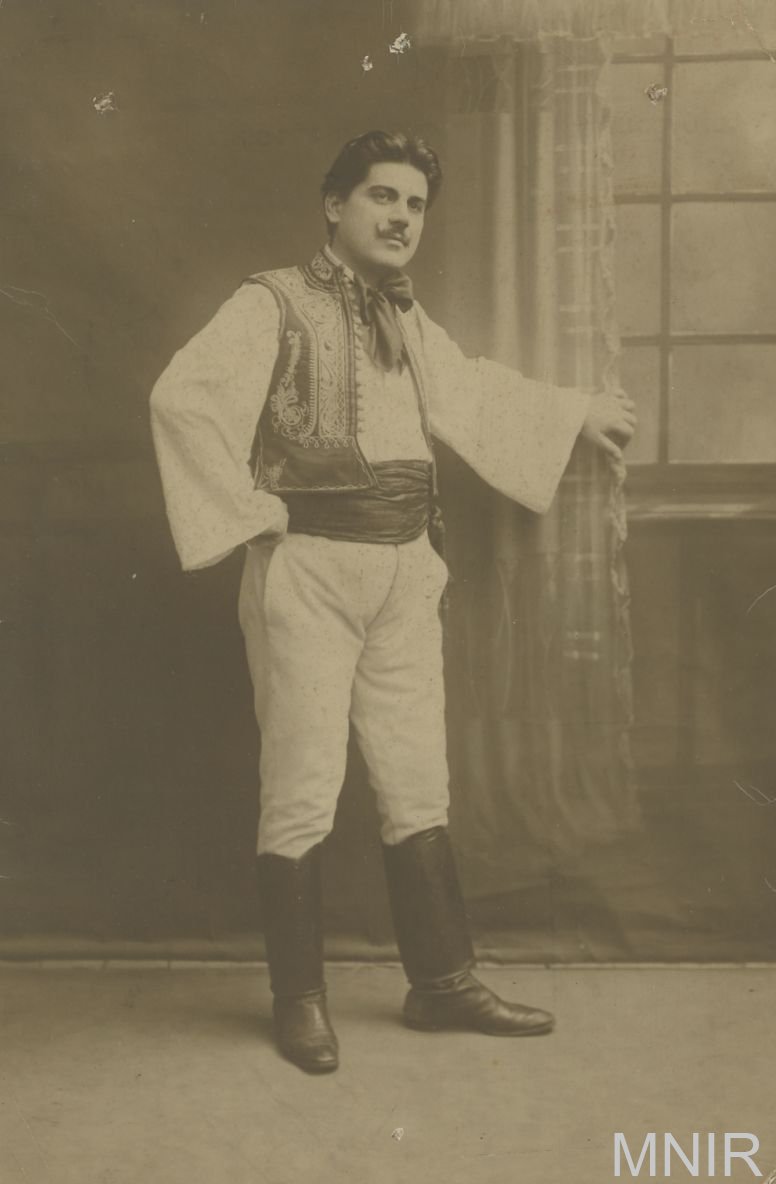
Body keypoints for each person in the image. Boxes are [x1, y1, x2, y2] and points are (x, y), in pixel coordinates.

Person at [150, 130, 636, 1074]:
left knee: (418, 780)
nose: (401, 217)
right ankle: (300, 1002)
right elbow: (183, 398)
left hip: (407, 569)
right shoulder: (271, 301)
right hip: (311, 571)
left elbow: (468, 392)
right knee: (303, 785)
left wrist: (573, 410)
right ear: (335, 205)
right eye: (382, 196)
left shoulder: (405, 316)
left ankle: (443, 982)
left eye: (414, 205)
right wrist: (254, 514)